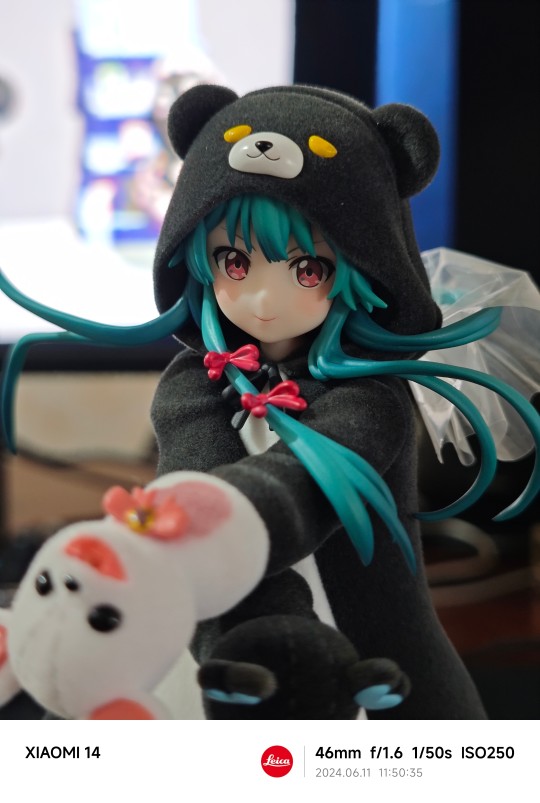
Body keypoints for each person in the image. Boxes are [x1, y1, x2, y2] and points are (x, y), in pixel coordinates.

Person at [1, 84, 539, 719]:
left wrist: (200, 528)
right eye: (234, 261)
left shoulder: (371, 397)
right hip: (229, 641)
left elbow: (303, 488)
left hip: (377, 662)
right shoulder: (195, 382)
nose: (262, 299)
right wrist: (260, 635)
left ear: (365, 266)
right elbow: (195, 470)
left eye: (308, 270)